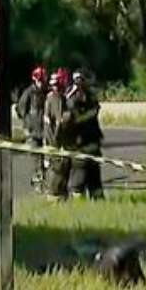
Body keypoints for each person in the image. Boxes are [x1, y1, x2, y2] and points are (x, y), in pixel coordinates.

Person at [66, 70, 105, 199]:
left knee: (94, 174)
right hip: (79, 143)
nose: (80, 84)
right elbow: (74, 118)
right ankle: (79, 198)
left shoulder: (90, 97)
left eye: (82, 81)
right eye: (77, 81)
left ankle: (97, 197)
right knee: (79, 175)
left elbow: (96, 107)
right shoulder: (71, 99)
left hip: (92, 141)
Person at [16, 66, 49, 189]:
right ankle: (38, 180)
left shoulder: (47, 92)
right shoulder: (29, 93)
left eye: (43, 81)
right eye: (39, 81)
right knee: (36, 158)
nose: (41, 83)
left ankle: (46, 180)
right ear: (34, 80)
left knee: (48, 157)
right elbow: (20, 109)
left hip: (45, 130)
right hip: (32, 131)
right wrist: (27, 124)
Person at [43, 68, 72, 199]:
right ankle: (53, 193)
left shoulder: (63, 99)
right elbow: (53, 122)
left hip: (61, 139)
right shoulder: (52, 99)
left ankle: (61, 193)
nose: (56, 88)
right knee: (54, 168)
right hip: (52, 139)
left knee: (64, 166)